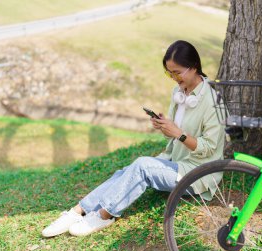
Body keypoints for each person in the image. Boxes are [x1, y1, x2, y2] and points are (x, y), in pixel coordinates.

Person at [41, 40, 224, 237]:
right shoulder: (178, 93)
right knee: (126, 172)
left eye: (177, 72)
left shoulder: (214, 101)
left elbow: (210, 147)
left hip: (197, 173)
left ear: (194, 67)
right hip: (174, 160)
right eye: (169, 73)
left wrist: (178, 133)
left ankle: (105, 215)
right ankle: (77, 211)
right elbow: (177, 132)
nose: (173, 78)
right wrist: (165, 127)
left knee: (142, 167)